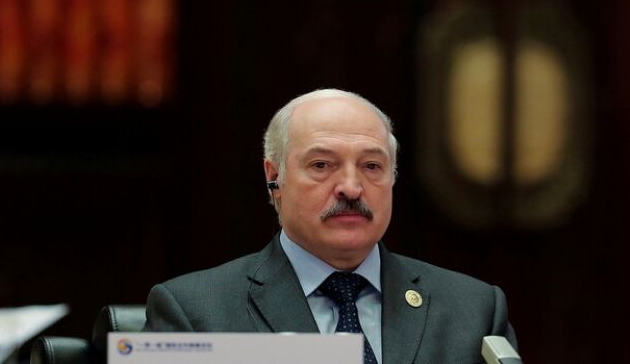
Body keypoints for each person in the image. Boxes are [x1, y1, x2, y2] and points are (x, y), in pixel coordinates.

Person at [143, 88, 517, 363]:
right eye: (321, 165)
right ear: (274, 178)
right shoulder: (193, 312)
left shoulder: (475, 310)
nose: (351, 188)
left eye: (372, 166)